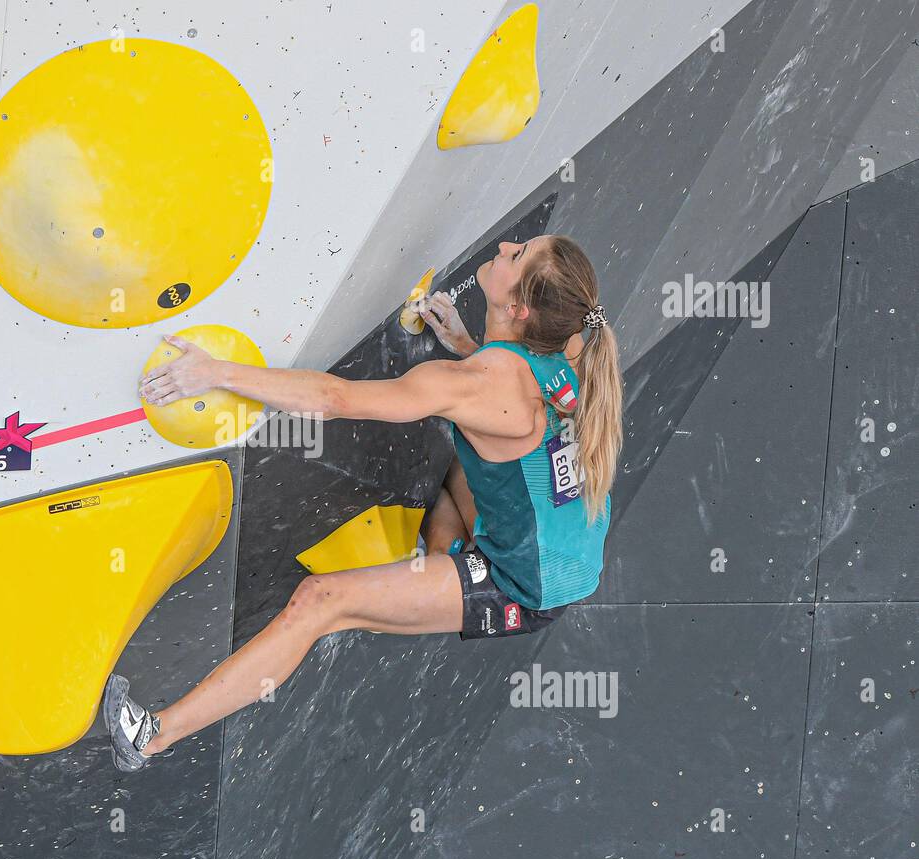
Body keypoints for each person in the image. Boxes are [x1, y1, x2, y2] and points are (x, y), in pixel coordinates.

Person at [103, 234, 623, 771]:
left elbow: (334, 400)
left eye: (517, 256)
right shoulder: (569, 348)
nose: (509, 244)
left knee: (322, 603)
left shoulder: (482, 386)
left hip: (523, 584)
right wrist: (470, 347)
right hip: (564, 547)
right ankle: (430, 562)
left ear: (518, 308)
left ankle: (151, 737)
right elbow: (510, 397)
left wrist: (215, 373)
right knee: (443, 473)